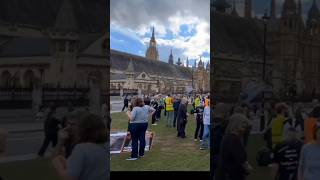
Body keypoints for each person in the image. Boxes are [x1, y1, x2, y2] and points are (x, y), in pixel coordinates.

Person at [52, 113, 109, 180]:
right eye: (68, 124)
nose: (69, 127)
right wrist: (60, 142)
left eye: (73, 124)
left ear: (82, 127)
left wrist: (58, 166)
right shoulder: (106, 144)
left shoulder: (81, 148)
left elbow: (68, 177)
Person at [217, 113, 252, 180]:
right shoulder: (234, 140)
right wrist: (248, 169)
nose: (244, 130)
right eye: (243, 126)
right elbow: (242, 161)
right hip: (232, 175)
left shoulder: (227, 137)